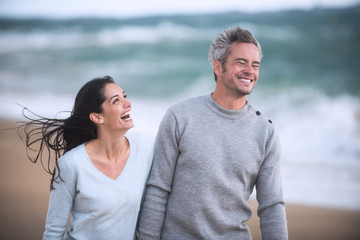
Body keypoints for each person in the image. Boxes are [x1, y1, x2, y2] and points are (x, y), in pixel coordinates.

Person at [137, 26, 288, 239]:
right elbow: (158, 189)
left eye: (255, 65)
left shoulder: (266, 131)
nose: (250, 71)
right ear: (218, 67)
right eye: (241, 62)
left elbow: (272, 206)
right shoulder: (180, 116)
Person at [17, 76, 153, 240]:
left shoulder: (145, 150)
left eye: (125, 96)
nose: (128, 103)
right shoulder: (71, 164)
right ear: (97, 117)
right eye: (116, 101)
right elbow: (54, 232)